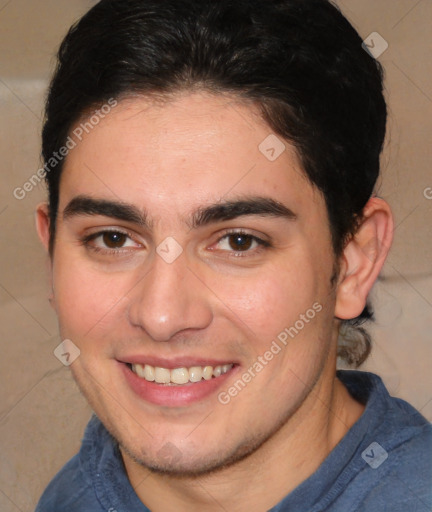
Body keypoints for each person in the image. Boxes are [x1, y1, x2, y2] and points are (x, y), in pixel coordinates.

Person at [34, 0, 431, 510]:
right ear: (50, 253)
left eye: (239, 241)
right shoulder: (75, 496)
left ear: (353, 261)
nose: (161, 315)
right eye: (113, 239)